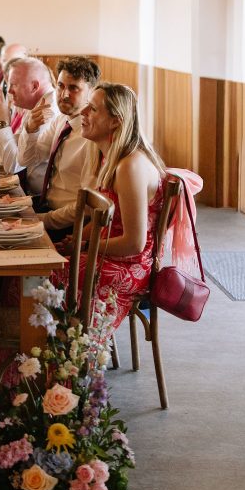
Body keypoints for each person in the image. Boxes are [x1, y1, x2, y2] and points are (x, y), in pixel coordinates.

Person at [58, 82, 166, 330]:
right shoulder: (107, 156)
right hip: (108, 252)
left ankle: (54, 354)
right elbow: (100, 221)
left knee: (40, 277)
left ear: (115, 121)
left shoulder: (130, 166)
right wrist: (73, 241)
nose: (83, 113)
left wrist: (83, 246)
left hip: (130, 266)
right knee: (40, 261)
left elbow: (134, 244)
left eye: (92, 109)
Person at [17, 56, 100, 235]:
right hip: (45, 207)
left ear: (91, 92)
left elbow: (87, 205)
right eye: (61, 86)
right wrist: (30, 130)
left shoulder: (93, 137)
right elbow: (26, 159)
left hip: (69, 226)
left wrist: (43, 221)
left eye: (74, 88)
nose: (64, 95)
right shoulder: (62, 120)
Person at [0, 57, 56, 189]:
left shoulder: (46, 111)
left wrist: (2, 123)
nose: (9, 91)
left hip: (37, 199)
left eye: (14, 84)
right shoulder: (36, 104)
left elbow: (13, 165)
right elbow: (9, 148)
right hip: (26, 189)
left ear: (34, 86)